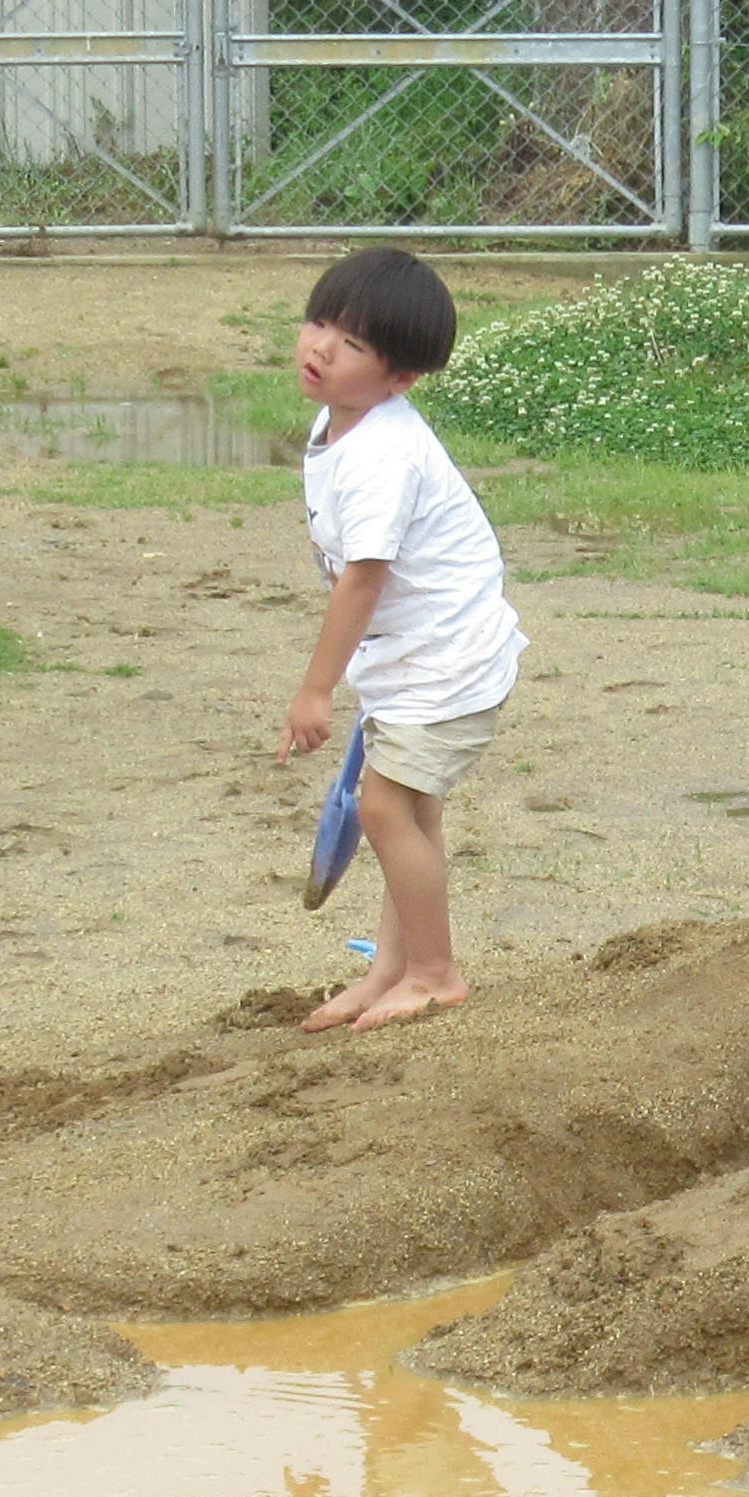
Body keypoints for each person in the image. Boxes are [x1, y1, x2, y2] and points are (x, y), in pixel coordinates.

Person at [279, 246, 519, 1034]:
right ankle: (393, 966)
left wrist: (316, 690)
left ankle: (434, 971)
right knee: (408, 807)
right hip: (416, 658)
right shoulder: (339, 421)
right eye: (319, 323)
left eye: (350, 345)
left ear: (401, 377)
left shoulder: (384, 454)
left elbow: (363, 579)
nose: (320, 348)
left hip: (447, 661)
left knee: (384, 807)